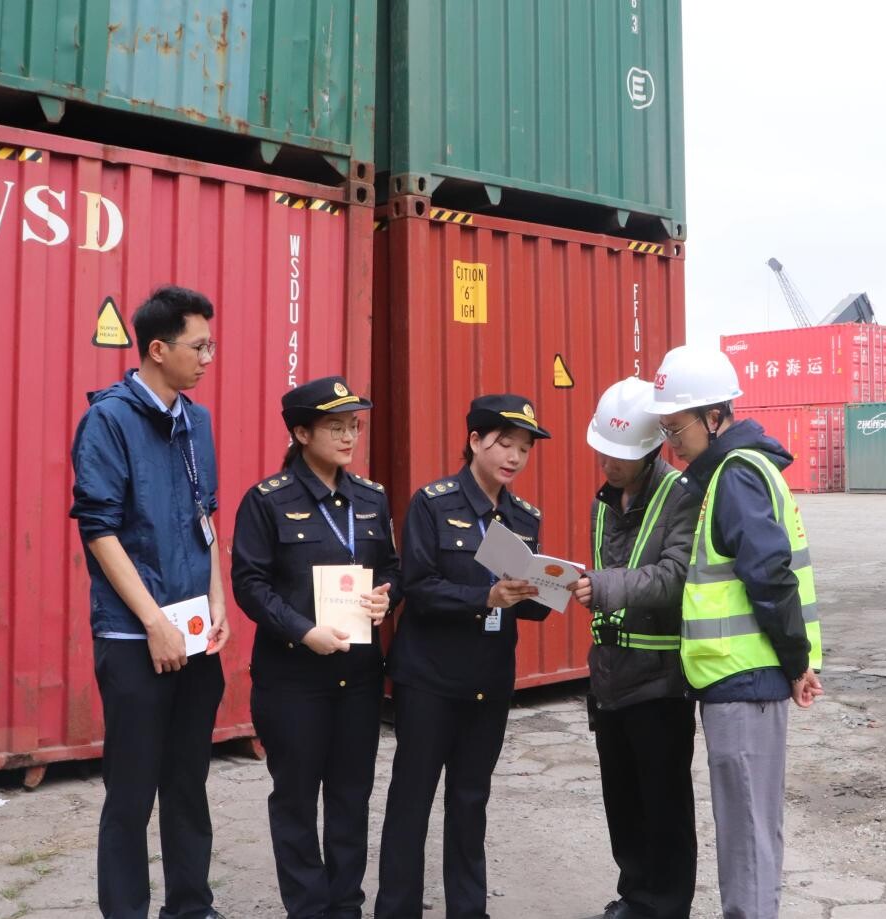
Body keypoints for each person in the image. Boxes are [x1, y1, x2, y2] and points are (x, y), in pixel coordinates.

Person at [644, 345, 824, 919]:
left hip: (746, 678)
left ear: (715, 416)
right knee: (751, 825)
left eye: (677, 427)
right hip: (739, 677)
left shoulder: (735, 476)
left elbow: (769, 574)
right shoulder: (735, 471)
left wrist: (795, 662)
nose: (671, 442)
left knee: (746, 831)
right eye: (666, 429)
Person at [70, 285, 230, 919]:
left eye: (211, 345)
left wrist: (217, 599)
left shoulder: (197, 421)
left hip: (194, 630)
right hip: (134, 636)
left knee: (188, 783)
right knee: (132, 792)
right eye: (199, 346)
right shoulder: (108, 420)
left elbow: (205, 516)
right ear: (158, 349)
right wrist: (153, 622)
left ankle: (191, 907)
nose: (208, 358)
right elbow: (99, 530)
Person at [375, 395, 551, 919]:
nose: (515, 457)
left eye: (524, 449)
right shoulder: (434, 504)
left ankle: (469, 909)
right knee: (411, 799)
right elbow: (418, 586)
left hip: (488, 681)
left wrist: (551, 588)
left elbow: (530, 607)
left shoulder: (523, 517)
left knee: (471, 800)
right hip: (428, 679)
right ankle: (396, 910)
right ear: (475, 441)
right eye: (504, 444)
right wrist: (485, 597)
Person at [231, 376, 401, 919]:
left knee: (351, 799)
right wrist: (303, 630)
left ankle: (345, 906)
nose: (349, 437)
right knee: (297, 801)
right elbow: (249, 584)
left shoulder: (371, 497)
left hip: (359, 677)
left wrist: (386, 597)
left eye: (354, 426)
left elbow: (392, 568)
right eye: (336, 427)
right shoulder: (267, 500)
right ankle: (307, 908)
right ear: (302, 433)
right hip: (293, 680)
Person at [570, 377, 699, 919]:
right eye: (602, 451)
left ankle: (666, 906)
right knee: (622, 802)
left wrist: (602, 586)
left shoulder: (682, 495)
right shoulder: (604, 502)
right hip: (611, 677)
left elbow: (675, 577)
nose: (607, 463)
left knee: (664, 807)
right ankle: (636, 897)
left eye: (619, 455)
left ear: (650, 450)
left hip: (660, 682)